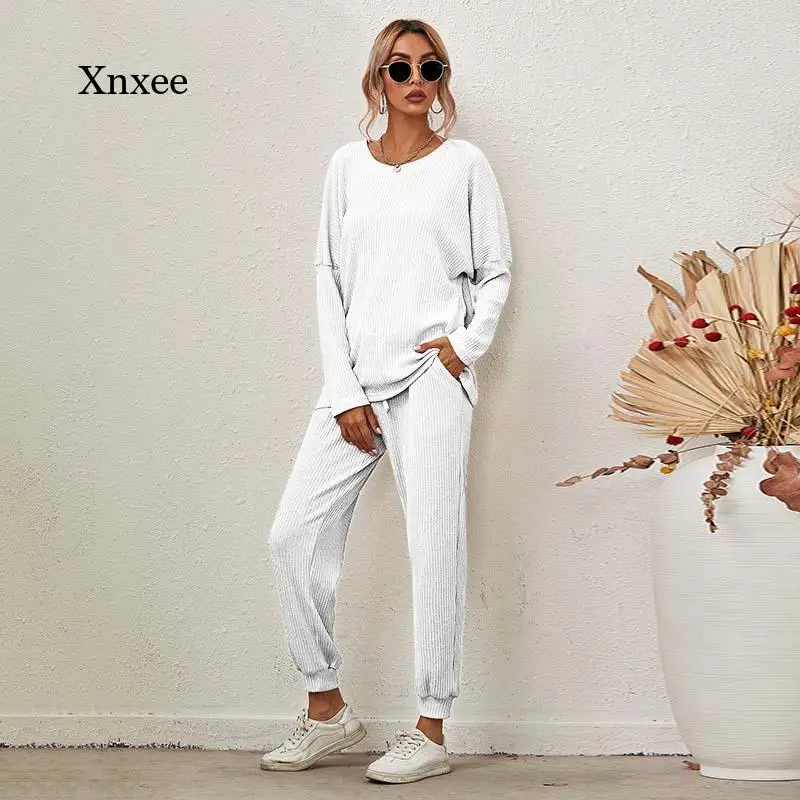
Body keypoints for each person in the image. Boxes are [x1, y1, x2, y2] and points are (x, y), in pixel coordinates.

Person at [262, 18, 512, 784]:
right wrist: (343, 390)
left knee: (433, 545)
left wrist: (463, 347)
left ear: (442, 81)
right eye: (400, 67)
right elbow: (327, 277)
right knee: (291, 536)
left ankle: (431, 727)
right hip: (354, 383)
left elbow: (496, 270)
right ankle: (327, 708)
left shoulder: (465, 164)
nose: (415, 80)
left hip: (432, 378)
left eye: (430, 68)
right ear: (378, 78)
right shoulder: (347, 166)